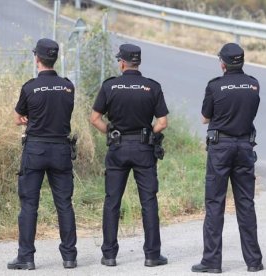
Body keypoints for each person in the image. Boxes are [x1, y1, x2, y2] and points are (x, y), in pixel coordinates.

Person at [90, 43, 169, 267]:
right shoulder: (152, 87)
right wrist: (146, 134)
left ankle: (109, 255)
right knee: (149, 202)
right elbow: (162, 122)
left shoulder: (110, 86)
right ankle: (152, 255)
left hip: (117, 149)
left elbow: (94, 118)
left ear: (122, 63)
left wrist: (112, 133)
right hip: (144, 150)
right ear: (138, 62)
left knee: (112, 201)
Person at [192, 43, 263, 273]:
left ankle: (212, 262)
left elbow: (205, 118)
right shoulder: (253, 84)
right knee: (246, 204)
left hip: (220, 148)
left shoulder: (215, 86)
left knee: (215, 204)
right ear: (241, 62)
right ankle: (254, 261)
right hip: (244, 146)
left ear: (222, 63)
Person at [7, 38, 77, 270]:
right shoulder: (68, 87)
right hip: (60, 150)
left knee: (29, 205)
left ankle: (26, 257)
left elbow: (18, 118)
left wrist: (28, 118)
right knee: (64, 204)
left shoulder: (29, 87)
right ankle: (69, 257)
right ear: (54, 58)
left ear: (37, 58)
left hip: (35, 150)